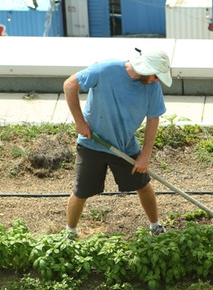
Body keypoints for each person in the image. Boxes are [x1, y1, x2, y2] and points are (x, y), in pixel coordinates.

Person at [63, 45, 172, 237]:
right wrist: (79, 122)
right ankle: (70, 232)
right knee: (81, 191)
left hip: (124, 146)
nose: (157, 80)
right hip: (92, 143)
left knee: (143, 185)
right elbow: (70, 85)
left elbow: (153, 119)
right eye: (156, 75)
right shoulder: (105, 70)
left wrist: (145, 155)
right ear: (146, 68)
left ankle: (155, 226)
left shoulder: (152, 87)